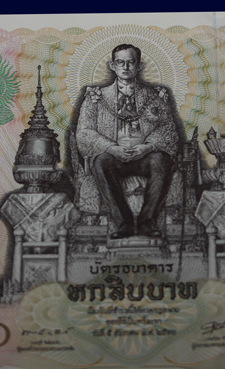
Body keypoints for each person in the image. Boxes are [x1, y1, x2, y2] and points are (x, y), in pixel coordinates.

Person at [75, 44, 180, 239]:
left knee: (160, 160)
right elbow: (84, 132)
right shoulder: (95, 97)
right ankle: (123, 224)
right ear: (112, 65)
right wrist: (111, 148)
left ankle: (147, 223)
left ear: (139, 66)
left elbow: (168, 130)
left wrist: (147, 147)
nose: (125, 67)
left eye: (131, 62)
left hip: (145, 156)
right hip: (113, 156)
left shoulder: (155, 96)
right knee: (102, 161)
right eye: (120, 62)